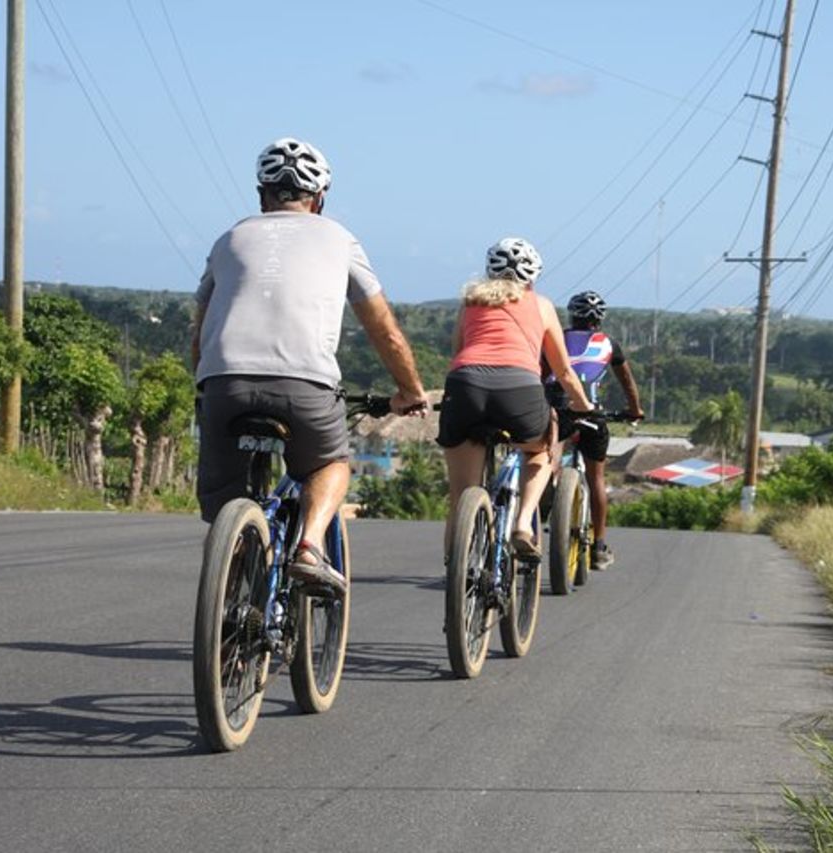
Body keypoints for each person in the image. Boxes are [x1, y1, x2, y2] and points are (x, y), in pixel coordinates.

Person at [193, 137, 427, 594]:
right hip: (304, 386)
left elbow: (198, 330)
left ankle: (231, 589)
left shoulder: (231, 237)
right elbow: (385, 331)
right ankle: (309, 547)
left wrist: (205, 388)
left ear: (261, 195)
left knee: (227, 507)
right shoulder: (339, 238)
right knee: (331, 463)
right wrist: (411, 390)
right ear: (319, 199)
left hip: (223, 384)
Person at [438, 237, 593, 561]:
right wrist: (583, 405)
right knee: (544, 442)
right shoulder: (542, 306)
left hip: (465, 386)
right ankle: (523, 522)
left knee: (460, 495)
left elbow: (457, 353)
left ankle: (457, 569)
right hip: (519, 390)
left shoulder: (470, 303)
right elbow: (563, 371)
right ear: (532, 276)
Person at [545, 291, 644, 569]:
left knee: (547, 462)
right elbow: (627, 382)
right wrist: (634, 409)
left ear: (571, 315)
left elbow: (541, 373)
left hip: (557, 408)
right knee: (596, 478)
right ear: (599, 319)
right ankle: (599, 546)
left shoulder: (557, 337)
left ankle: (544, 504)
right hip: (592, 413)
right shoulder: (609, 344)